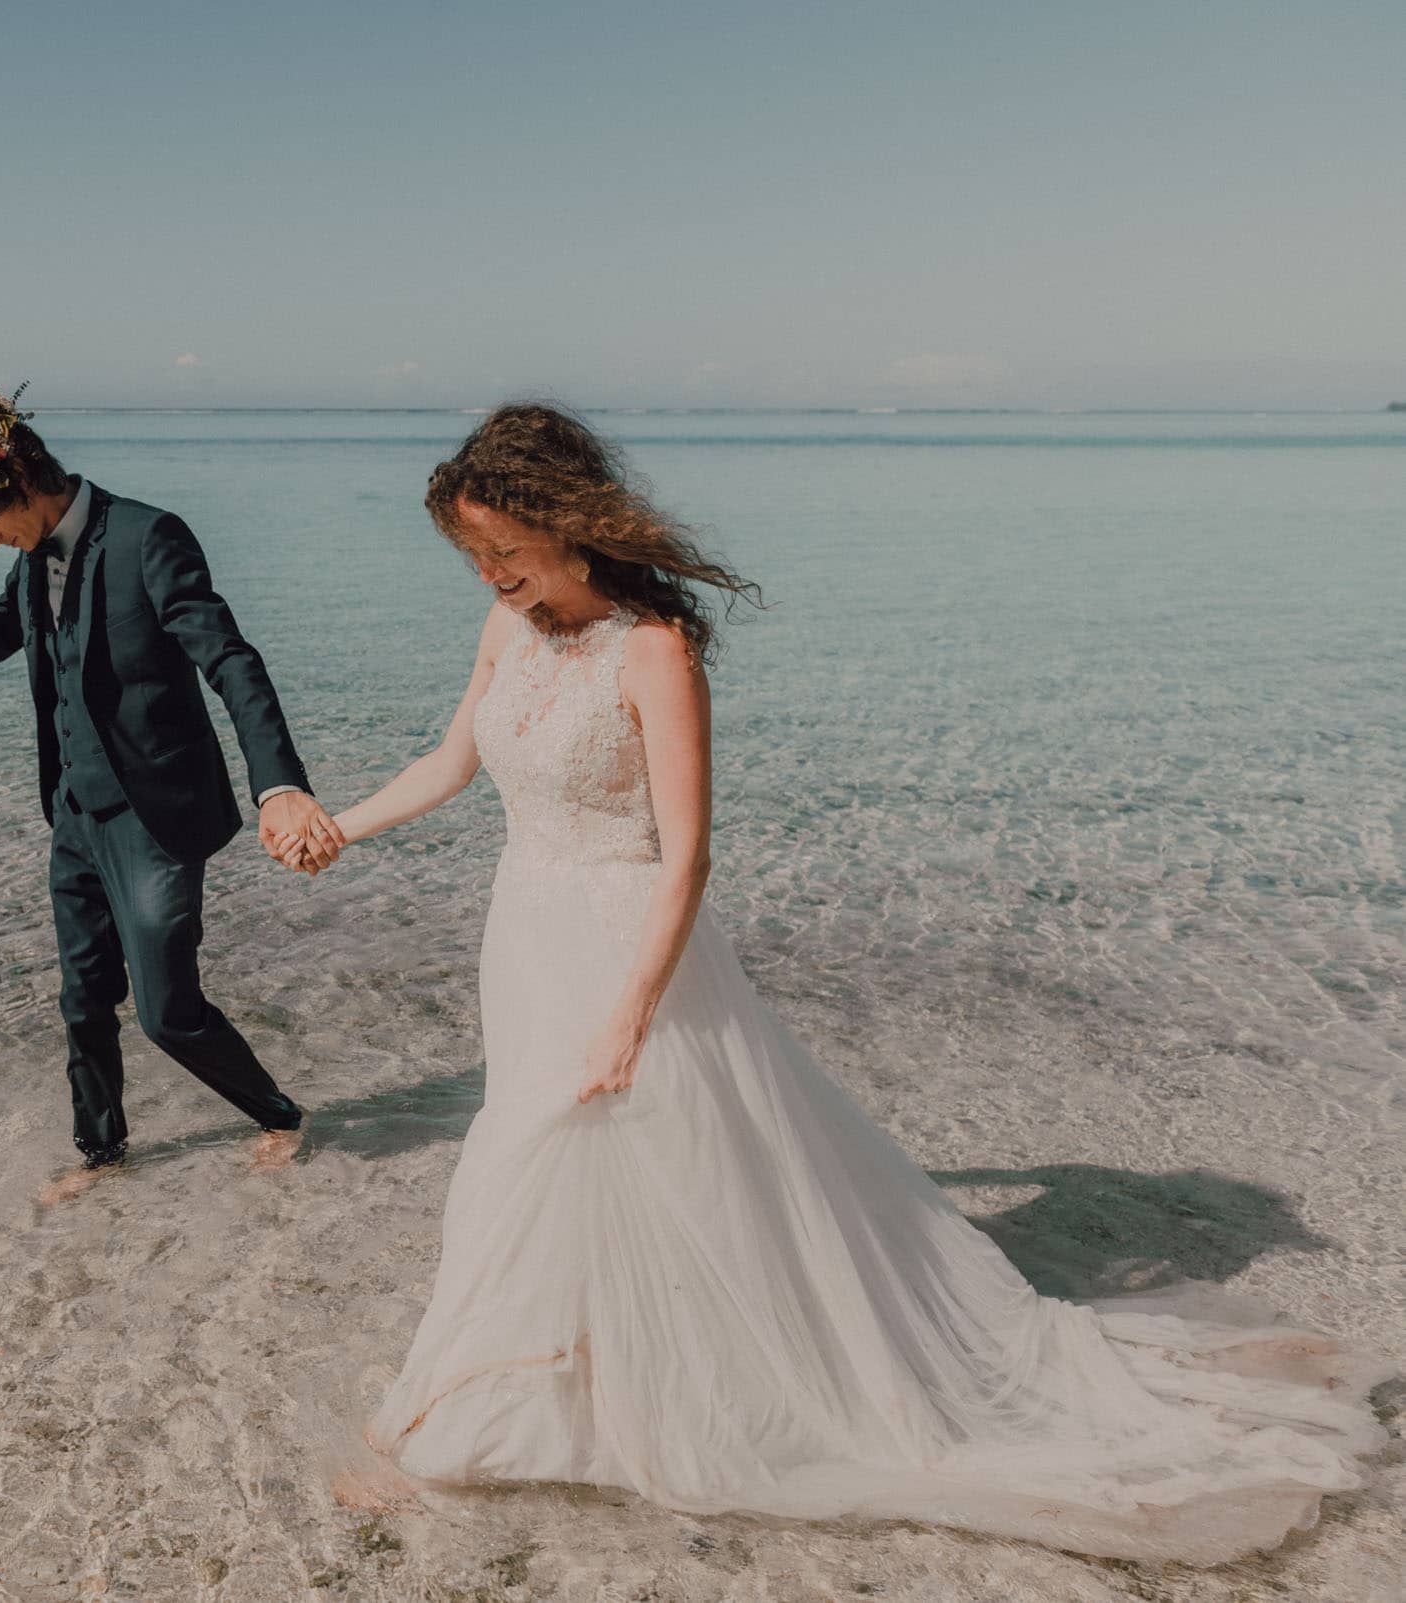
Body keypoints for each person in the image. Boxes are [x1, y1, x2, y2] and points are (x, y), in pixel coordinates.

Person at [280, 402, 1385, 1562]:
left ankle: (464, 1427)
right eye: (474, 553)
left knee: (583, 1164)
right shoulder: (506, 629)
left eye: (506, 547)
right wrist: (341, 829)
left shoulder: (650, 649)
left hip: (622, 939)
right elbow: (453, 759)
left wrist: (632, 1014)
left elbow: (687, 856)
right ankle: (561, 1393)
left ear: (569, 523)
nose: (491, 571)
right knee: (555, 1165)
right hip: (525, 933)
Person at [0, 383, 343, 1204]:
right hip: (74, 815)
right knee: (83, 999)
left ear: (20, 481)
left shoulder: (147, 536)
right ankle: (101, 1154)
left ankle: (277, 1113)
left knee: (168, 1012)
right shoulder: (30, 563)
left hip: (156, 817)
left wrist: (277, 784)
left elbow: (231, 660)